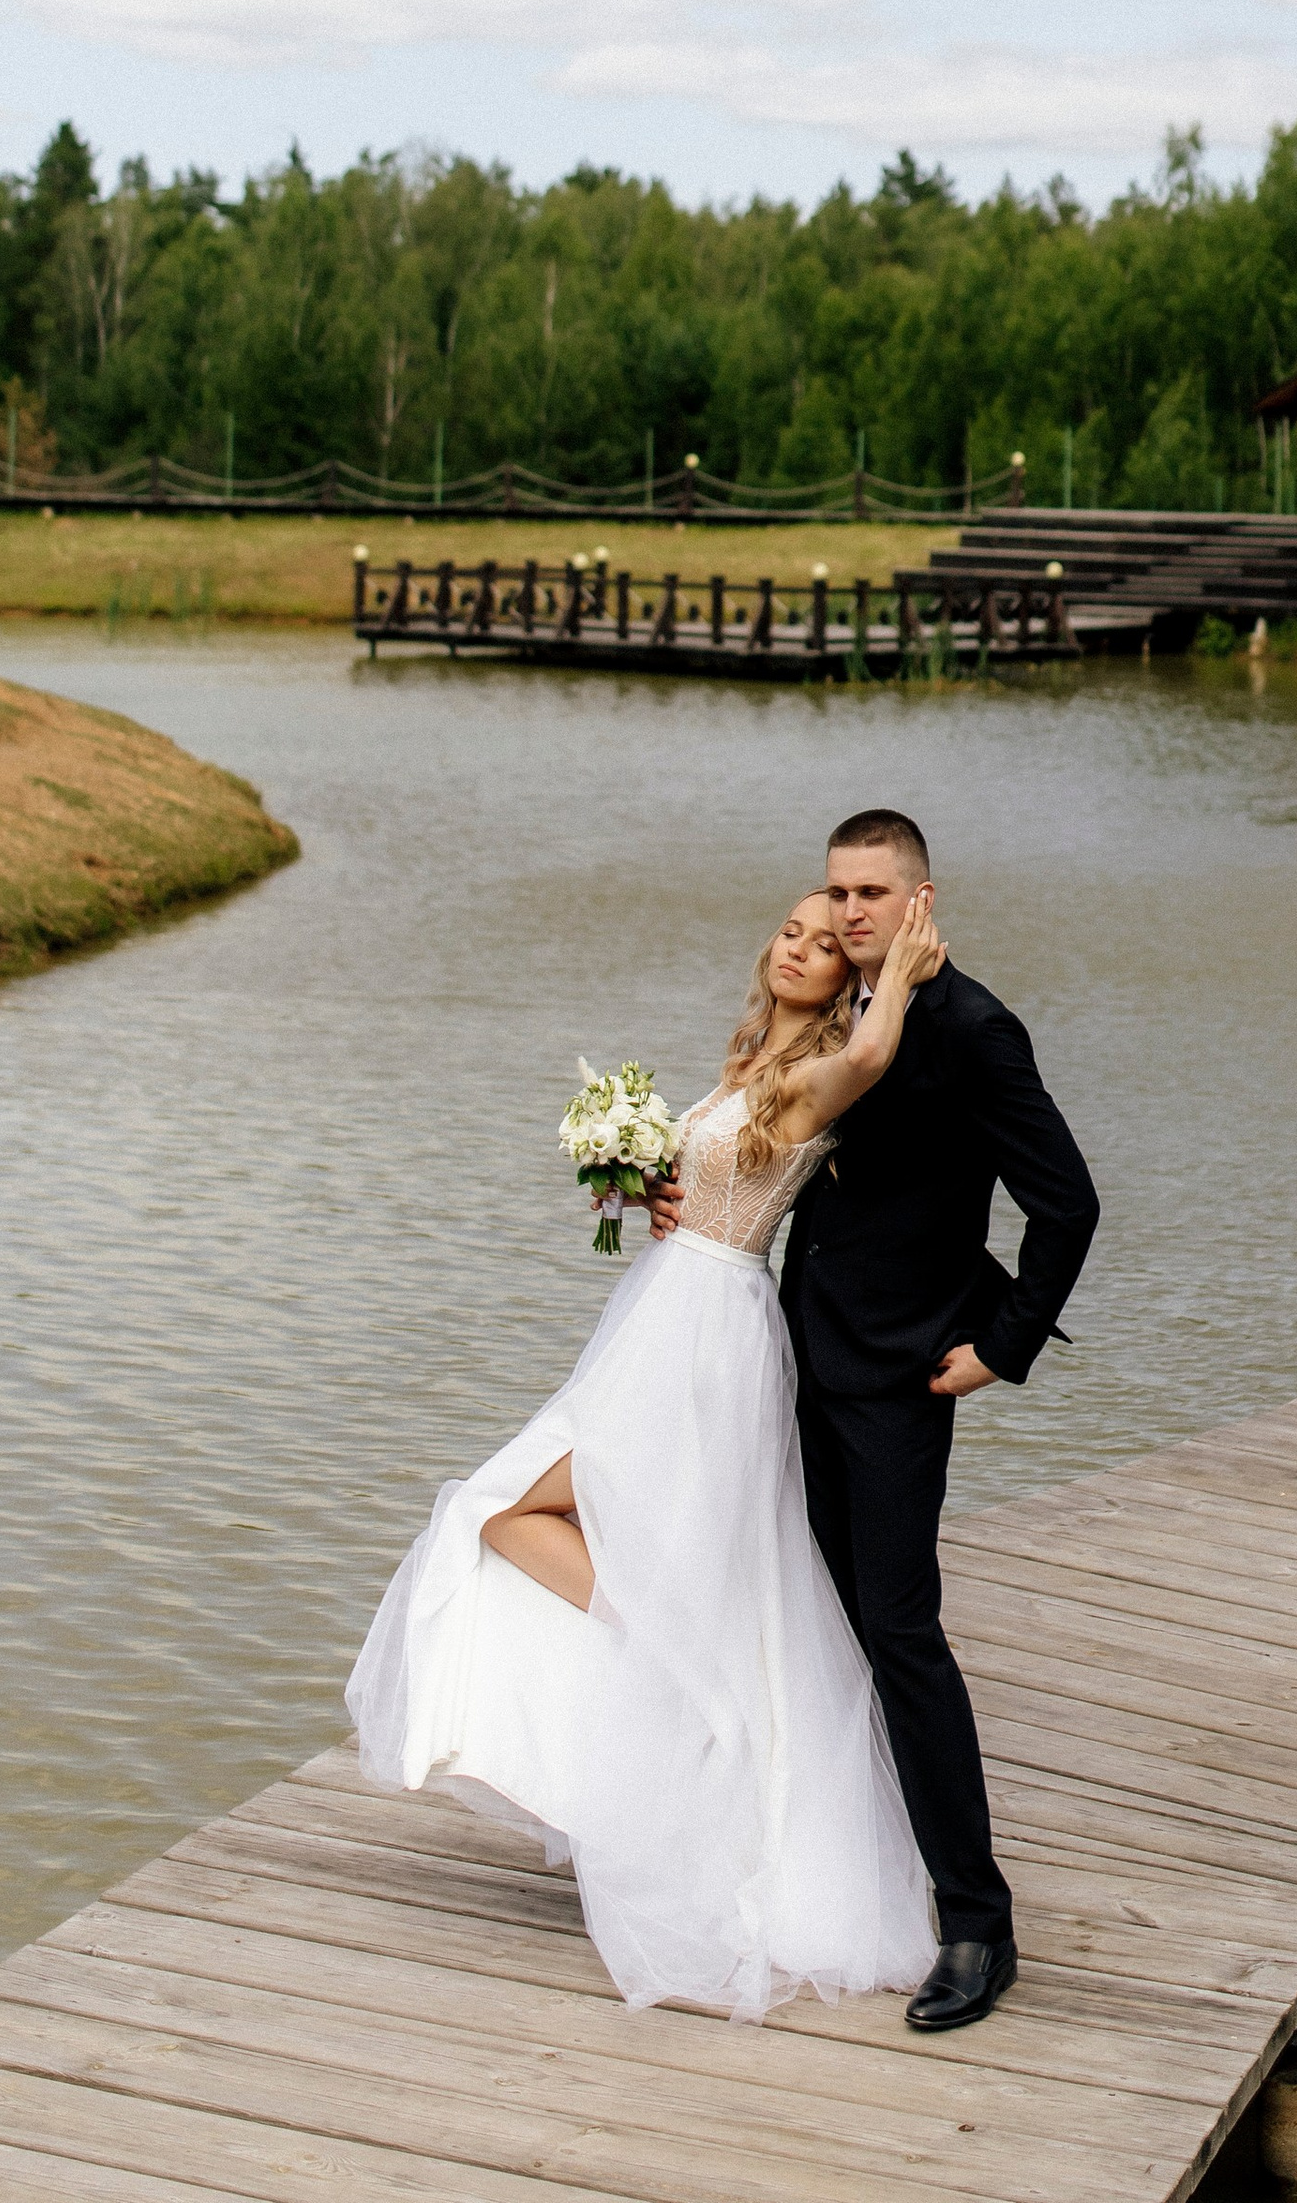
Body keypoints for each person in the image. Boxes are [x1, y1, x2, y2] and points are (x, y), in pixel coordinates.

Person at [345, 889, 949, 2020]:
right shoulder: (745, 1059)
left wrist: (903, 971)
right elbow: (704, 1184)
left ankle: (675, 1667)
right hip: (664, 1313)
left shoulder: (816, 1073)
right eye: (792, 931)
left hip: (707, 1335)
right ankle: (667, 1663)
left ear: (845, 978)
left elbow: (871, 1058)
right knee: (517, 1515)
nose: (801, 950)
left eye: (828, 945)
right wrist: (635, 1181)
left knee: (501, 1511)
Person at [741, 806, 1099, 2036]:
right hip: (794, 1357)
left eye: (871, 894)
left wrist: (999, 1347)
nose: (850, 913)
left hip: (899, 1378)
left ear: (920, 901)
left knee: (900, 1633)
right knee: (820, 1621)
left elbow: (1067, 1204)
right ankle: (851, 1871)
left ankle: (976, 1925)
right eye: (836, 892)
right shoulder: (839, 1011)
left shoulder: (972, 1029)